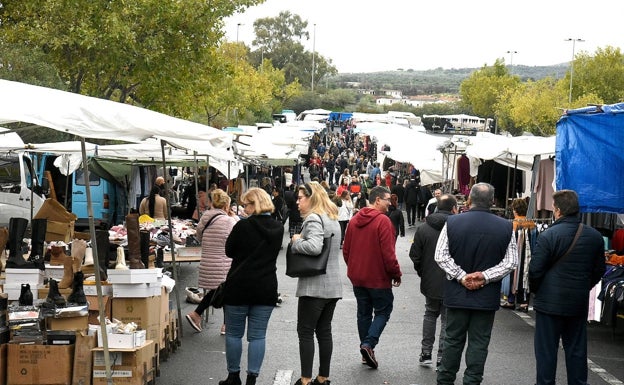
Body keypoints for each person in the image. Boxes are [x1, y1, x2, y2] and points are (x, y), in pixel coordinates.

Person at [434, 183, 518, 385]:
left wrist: (462, 276)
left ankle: (445, 380)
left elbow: (441, 256)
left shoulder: (453, 222)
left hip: (456, 293)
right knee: (479, 343)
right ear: (493, 201)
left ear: (469, 199)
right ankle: (472, 381)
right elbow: (511, 262)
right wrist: (485, 276)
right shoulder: (506, 226)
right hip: (486, 296)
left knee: (452, 340)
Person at [528, 189, 605, 385]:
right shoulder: (594, 236)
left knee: (546, 351)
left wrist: (539, 291)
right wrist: (584, 286)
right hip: (577, 301)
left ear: (559, 210)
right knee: (577, 350)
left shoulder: (548, 236)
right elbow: (599, 270)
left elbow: (535, 270)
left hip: (549, 302)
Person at [219, 188, 284, 385]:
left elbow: (229, 251)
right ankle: (252, 378)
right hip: (265, 287)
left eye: (246, 204)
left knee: (234, 334)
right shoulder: (277, 228)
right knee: (257, 336)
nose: (244, 208)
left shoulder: (242, 227)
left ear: (255, 204)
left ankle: (233, 376)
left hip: (238, 287)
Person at [342, 186, 402, 369]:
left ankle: (365, 350)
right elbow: (389, 254)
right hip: (378, 278)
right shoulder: (383, 221)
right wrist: (396, 273)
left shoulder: (354, 221)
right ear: (377, 200)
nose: (389, 203)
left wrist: (354, 267)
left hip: (358, 276)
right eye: (387, 200)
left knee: (363, 313)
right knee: (383, 311)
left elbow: (346, 250)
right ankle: (368, 344)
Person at [289, 182, 342, 385]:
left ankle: (305, 380)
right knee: (324, 331)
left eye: (300, 197)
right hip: (332, 285)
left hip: (314, 286)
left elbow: (313, 246)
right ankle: (323, 377)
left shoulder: (313, 217)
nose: (297, 201)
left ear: (311, 198)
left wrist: (295, 240)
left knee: (305, 332)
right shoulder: (332, 217)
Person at [409, 194, 458, 369]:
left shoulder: (424, 227)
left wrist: (423, 272)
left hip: (430, 279)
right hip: (453, 279)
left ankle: (426, 352)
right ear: (454, 208)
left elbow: (415, 254)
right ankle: (441, 357)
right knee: (447, 319)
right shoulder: (458, 227)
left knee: (430, 314)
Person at [186, 189, 238, 334]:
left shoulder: (205, 218)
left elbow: (199, 237)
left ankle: (200, 315)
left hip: (207, 262)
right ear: (226, 205)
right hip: (223, 263)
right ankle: (204, 317)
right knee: (226, 290)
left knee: (219, 290)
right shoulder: (229, 221)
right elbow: (236, 239)